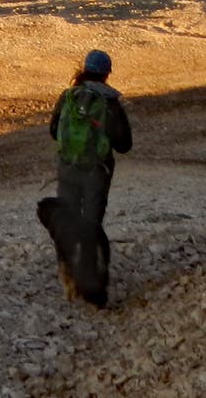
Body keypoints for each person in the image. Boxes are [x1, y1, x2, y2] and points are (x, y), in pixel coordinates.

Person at [36, 48, 132, 307]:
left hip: (68, 169)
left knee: (67, 221)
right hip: (96, 174)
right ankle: (92, 287)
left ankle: (66, 274)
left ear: (84, 70)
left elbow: (54, 131)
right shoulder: (109, 102)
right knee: (90, 225)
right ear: (106, 74)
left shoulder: (68, 97)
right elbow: (124, 144)